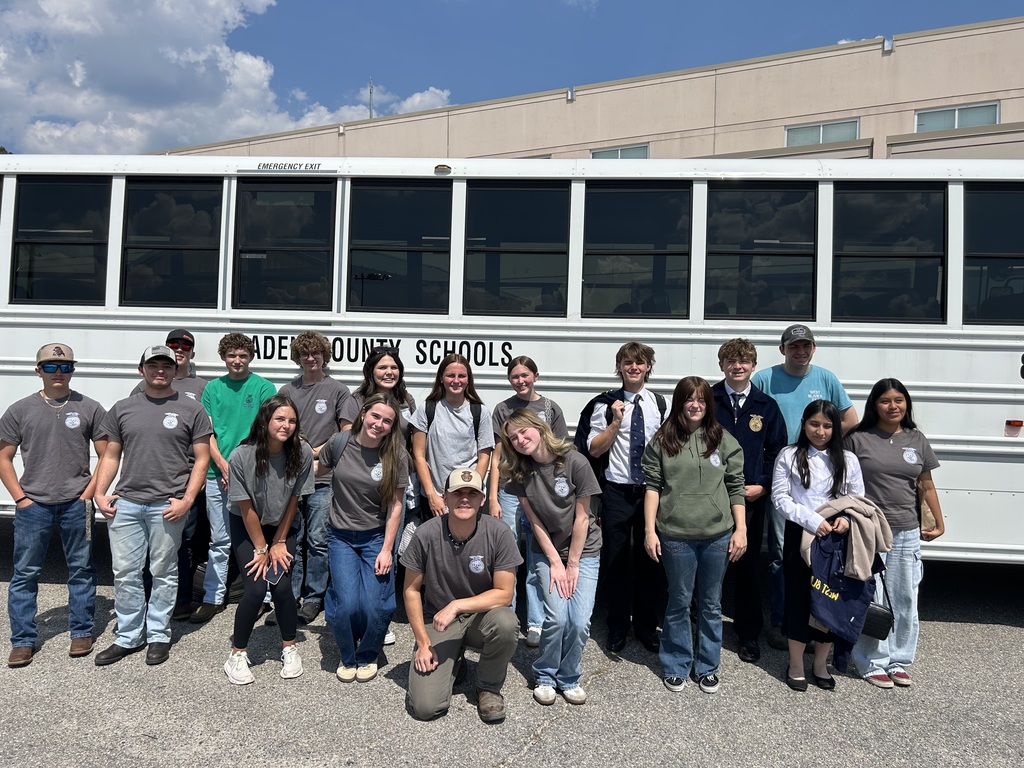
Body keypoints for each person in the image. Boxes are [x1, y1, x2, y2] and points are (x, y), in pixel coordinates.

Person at [92, 345, 212, 666]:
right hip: (127, 503)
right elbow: (111, 454)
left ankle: (159, 634)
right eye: (153, 364)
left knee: (163, 571)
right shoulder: (123, 408)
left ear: (176, 371)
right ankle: (129, 636)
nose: (160, 370)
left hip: (167, 506)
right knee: (126, 572)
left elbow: (202, 458)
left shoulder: (191, 409)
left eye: (167, 365)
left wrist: (187, 499)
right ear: (141, 369)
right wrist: (100, 493)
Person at [1, 343, 107, 667]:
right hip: (34, 505)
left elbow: (107, 456)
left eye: (65, 366)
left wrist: (89, 493)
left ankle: (81, 631)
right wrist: (20, 498)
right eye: (50, 367)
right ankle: (22, 640)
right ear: (38, 371)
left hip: (78, 503)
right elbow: (3, 457)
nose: (58, 372)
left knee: (81, 570)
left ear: (73, 369)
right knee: (25, 573)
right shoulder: (20, 410)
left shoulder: (90, 408)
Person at [752, 325, 857, 650]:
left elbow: (851, 419)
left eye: (806, 346)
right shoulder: (765, 379)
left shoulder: (826, 378)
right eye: (793, 346)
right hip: (784, 472)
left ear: (814, 348)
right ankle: (782, 622)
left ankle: (817, 620)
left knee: (821, 558)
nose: (800, 351)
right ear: (783, 349)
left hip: (819, 481)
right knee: (783, 556)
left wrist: (823, 436)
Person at [642, 376, 746, 694]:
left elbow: (735, 486)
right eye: (689, 398)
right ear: (680, 402)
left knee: (712, 604)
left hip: (717, 534)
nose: (695, 404)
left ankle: (707, 666)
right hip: (676, 535)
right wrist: (649, 531)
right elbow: (652, 487)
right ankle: (676, 664)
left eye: (701, 399)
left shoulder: (722, 439)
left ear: (708, 404)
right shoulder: (662, 441)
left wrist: (741, 529)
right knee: (679, 600)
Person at [401, 468, 521, 723]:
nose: (464, 499)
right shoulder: (426, 533)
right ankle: (454, 660)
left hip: (481, 618)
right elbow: (410, 590)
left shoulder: (499, 532)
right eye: (457, 493)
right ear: (445, 497)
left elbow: (505, 593)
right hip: (438, 621)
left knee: (506, 623)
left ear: (481, 498)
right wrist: (423, 644)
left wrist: (456, 605)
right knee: (425, 708)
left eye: (472, 493)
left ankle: (488, 687)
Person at [847, 378, 944, 689]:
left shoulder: (916, 439)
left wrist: (938, 522)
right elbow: (842, 484)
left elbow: (925, 485)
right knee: (872, 598)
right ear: (874, 405)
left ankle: (899, 660)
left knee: (905, 598)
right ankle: (871, 661)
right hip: (869, 530)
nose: (893, 406)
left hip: (906, 531)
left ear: (907, 404)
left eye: (899, 400)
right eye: (886, 401)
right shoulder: (858, 439)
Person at [501, 409, 600, 705]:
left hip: (584, 550)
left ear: (539, 428)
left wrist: (572, 564)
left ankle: (569, 677)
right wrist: (556, 561)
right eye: (513, 438)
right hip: (547, 551)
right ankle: (545, 674)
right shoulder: (520, 472)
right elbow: (534, 522)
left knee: (579, 622)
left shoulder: (575, 461)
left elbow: (583, 519)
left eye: (523, 432)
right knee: (556, 617)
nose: (519, 440)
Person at [772, 399, 864, 691]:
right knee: (799, 599)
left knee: (830, 600)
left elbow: (856, 498)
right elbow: (781, 497)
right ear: (803, 424)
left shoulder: (847, 459)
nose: (820, 431)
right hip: (801, 534)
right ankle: (796, 663)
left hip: (836, 537)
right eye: (814, 424)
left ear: (835, 428)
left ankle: (820, 663)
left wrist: (846, 520)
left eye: (827, 425)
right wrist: (811, 520)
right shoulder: (789, 455)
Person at [223, 395, 313, 684]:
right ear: (265, 420)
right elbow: (245, 507)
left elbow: (294, 501)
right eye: (279, 419)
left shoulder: (303, 452)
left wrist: (278, 542)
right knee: (255, 588)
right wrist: (262, 548)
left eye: (291, 420)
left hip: (281, 526)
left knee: (284, 587)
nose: (286, 425)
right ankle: (237, 654)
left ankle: (289, 647)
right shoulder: (242, 456)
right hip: (247, 524)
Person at [586, 341, 666, 653]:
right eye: (627, 363)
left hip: (650, 491)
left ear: (648, 367)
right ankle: (618, 625)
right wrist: (615, 422)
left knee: (651, 559)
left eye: (640, 363)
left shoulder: (659, 403)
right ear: (619, 367)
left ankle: (646, 626)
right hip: (617, 491)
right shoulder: (605, 404)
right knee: (616, 561)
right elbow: (594, 448)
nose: (634, 368)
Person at [711, 338, 786, 663]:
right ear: (722, 365)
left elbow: (777, 453)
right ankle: (701, 629)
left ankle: (747, 635)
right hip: (709, 499)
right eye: (731, 361)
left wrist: (764, 485)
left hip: (751, 500)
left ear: (753, 366)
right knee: (707, 566)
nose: (737, 366)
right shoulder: (708, 400)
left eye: (743, 361)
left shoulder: (765, 406)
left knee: (746, 569)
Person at [323, 393, 408, 683]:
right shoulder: (340, 442)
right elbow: (314, 468)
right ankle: (348, 655)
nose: (379, 424)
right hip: (341, 536)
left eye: (387, 421)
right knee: (347, 603)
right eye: (375, 416)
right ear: (363, 414)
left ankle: (369, 653)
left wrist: (387, 549)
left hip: (375, 537)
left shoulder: (396, 454)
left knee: (376, 604)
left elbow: (396, 505)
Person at [193, 333, 277, 623]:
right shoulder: (213, 389)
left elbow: (266, 432)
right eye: (231, 355)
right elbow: (207, 433)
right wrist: (221, 462)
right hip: (218, 474)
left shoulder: (264, 387)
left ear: (250, 357)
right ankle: (213, 597)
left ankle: (263, 597)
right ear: (223, 358)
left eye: (242, 355)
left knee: (259, 537)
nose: (237, 360)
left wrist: (238, 468)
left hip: (254, 473)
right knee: (219, 539)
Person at [339, 345, 417, 647]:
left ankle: (379, 619)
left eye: (394, 367)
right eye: (383, 367)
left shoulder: (407, 401)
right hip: (363, 487)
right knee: (358, 553)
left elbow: (413, 440)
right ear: (371, 370)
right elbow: (348, 440)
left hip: (397, 483)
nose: (389, 372)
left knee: (388, 551)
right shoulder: (355, 400)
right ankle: (358, 612)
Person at [488, 356, 568, 646]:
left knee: (538, 553)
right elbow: (497, 456)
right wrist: (493, 496)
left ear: (536, 376)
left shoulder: (549, 408)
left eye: (525, 375)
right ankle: (507, 614)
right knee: (507, 554)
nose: (520, 381)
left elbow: (560, 452)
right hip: (510, 491)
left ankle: (536, 621)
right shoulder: (503, 409)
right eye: (514, 377)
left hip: (540, 492)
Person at [130, 328, 208, 621]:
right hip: (150, 481)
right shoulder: (141, 389)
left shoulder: (203, 387)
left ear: (191, 353)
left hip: (186, 477)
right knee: (150, 546)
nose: (179, 348)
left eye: (185, 345)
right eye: (173, 344)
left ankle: (182, 599)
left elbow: (206, 436)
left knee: (184, 544)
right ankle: (149, 600)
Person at [278, 330, 351, 625]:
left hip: (323, 477)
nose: (311, 358)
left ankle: (313, 598)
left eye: (316, 352)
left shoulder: (338, 390)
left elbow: (346, 432)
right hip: (290, 479)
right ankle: (288, 596)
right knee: (291, 539)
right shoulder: (286, 391)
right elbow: (278, 428)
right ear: (298, 357)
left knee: (318, 540)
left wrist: (315, 451)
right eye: (305, 353)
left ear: (324, 355)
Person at [409, 354, 493, 519]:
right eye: (450, 375)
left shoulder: (480, 412)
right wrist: (432, 495)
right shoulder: (427, 409)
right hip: (435, 498)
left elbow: (484, 458)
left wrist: (470, 492)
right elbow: (418, 456)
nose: (456, 380)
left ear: (468, 379)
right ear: (441, 378)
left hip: (467, 498)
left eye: (461, 376)